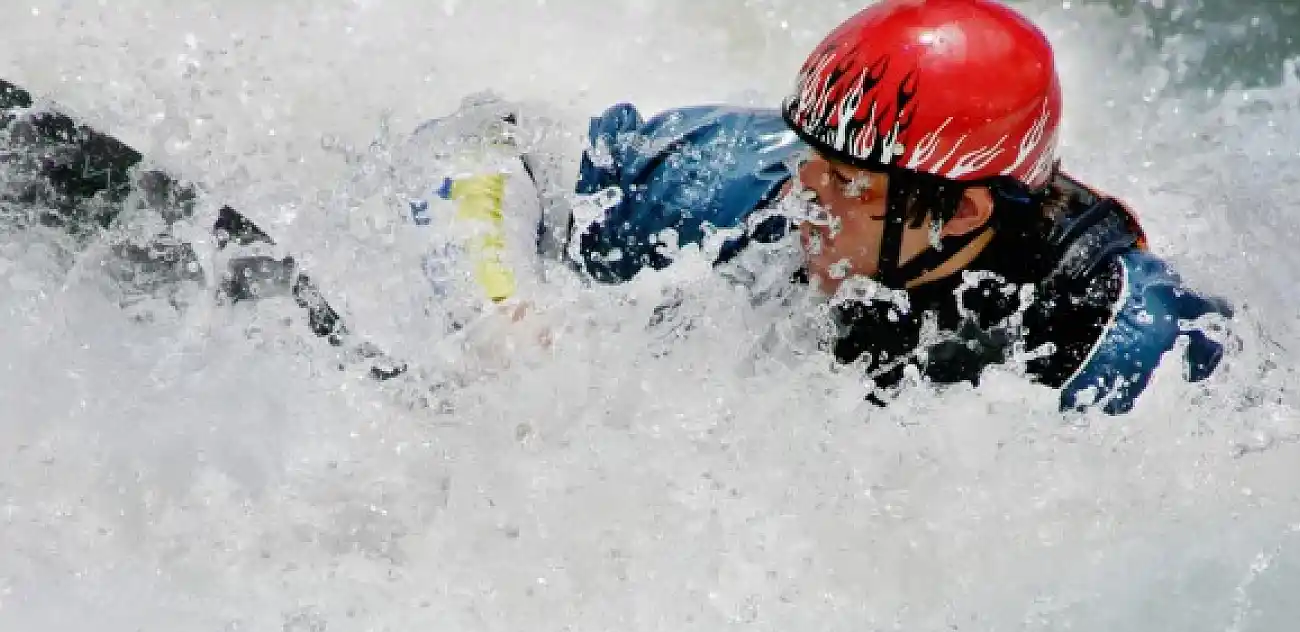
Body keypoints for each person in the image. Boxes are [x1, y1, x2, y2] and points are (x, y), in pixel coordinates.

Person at [402, 0, 1234, 413]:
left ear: (961, 214)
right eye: (814, 161)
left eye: (848, 184)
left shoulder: (1132, 342)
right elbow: (485, 142)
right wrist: (500, 316)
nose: (805, 192)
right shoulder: (746, 176)